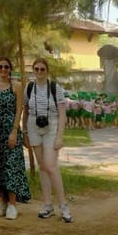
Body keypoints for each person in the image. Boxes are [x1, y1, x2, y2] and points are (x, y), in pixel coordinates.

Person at [21, 57, 72, 223]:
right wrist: (25, 131)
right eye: (36, 69)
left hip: (52, 127)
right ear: (33, 70)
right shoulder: (29, 88)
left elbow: (63, 113)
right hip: (34, 127)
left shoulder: (55, 88)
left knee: (51, 165)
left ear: (47, 71)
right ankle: (48, 204)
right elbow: (26, 110)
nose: (39, 72)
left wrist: (59, 136)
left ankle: (63, 205)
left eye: (42, 69)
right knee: (43, 167)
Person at [0, 57, 30, 220]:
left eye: (6, 67)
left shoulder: (16, 86)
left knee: (12, 166)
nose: (3, 69)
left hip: (11, 130)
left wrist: (15, 131)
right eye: (0, 67)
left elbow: (19, 110)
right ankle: (3, 201)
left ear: (10, 69)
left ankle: (13, 204)